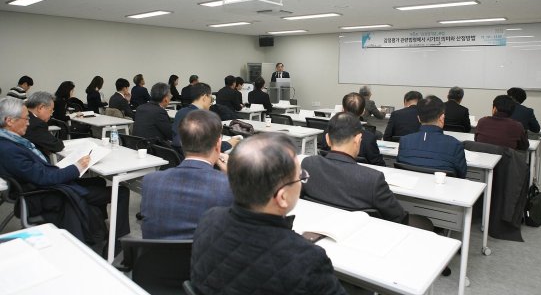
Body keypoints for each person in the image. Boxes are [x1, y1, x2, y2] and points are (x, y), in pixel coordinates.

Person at [191, 132, 346, 295]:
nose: (301, 181)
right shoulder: (307, 259)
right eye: (300, 176)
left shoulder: (208, 220)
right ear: (282, 197)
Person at [0, 97, 130, 249]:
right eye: (26, 118)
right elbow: (44, 178)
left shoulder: (10, 142)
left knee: (98, 182)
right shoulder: (9, 149)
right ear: (9, 121)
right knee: (121, 191)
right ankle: (115, 245)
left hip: (43, 188)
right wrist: (77, 167)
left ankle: (97, 231)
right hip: (47, 194)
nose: (29, 122)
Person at [141, 110, 233, 239]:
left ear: (182, 143)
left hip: (155, 257)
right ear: (218, 144)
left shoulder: (150, 181)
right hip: (205, 258)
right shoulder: (229, 187)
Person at [302, 112, 407, 224]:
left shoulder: (308, 164)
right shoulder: (373, 179)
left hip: (319, 225)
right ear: (358, 140)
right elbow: (398, 217)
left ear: (327, 139)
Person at [397, 95, 467, 178]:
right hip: (443, 189)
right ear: (442, 118)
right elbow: (462, 175)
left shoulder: (405, 140)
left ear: (418, 118)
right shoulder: (455, 145)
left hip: (411, 188)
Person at [172, 83, 237, 155]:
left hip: (181, 155)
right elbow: (208, 147)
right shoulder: (203, 117)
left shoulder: (180, 112)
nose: (211, 102)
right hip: (197, 157)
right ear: (205, 97)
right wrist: (229, 143)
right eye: (211, 98)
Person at [342, 92, 385, 166]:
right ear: (363, 112)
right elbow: (379, 165)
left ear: (343, 109)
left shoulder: (329, 132)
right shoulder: (368, 138)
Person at [23, 91, 63, 158]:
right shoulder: (37, 124)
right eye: (51, 110)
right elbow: (56, 145)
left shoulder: (22, 115)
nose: (51, 114)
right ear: (40, 108)